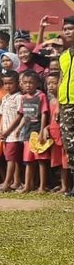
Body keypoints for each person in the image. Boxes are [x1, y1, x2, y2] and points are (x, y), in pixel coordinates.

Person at [18, 70, 50, 193]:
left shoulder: (41, 96)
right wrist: (18, 129)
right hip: (27, 133)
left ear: (37, 83)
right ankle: (28, 185)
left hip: (37, 131)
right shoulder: (24, 98)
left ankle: (42, 186)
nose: (28, 85)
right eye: (25, 83)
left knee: (40, 160)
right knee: (28, 160)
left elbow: (44, 114)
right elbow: (23, 116)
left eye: (31, 83)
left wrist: (42, 131)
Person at [0, 70, 23, 192]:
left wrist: (8, 131)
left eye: (10, 83)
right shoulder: (5, 97)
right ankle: (16, 181)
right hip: (5, 134)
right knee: (13, 158)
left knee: (11, 159)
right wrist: (2, 130)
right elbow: (1, 115)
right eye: (5, 83)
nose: (7, 86)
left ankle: (7, 183)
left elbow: (19, 116)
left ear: (17, 83)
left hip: (13, 134)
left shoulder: (19, 97)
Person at [45, 72, 69, 194]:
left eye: (54, 83)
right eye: (48, 83)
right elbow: (51, 120)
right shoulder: (50, 100)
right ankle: (61, 184)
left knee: (66, 163)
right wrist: (46, 128)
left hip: (64, 135)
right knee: (60, 163)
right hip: (54, 135)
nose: (51, 86)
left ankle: (66, 187)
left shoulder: (64, 101)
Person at [60, 16, 74, 195]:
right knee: (69, 145)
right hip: (65, 104)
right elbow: (62, 79)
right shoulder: (63, 55)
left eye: (71, 28)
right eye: (65, 29)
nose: (67, 32)